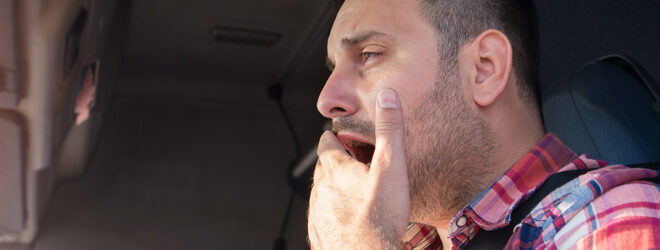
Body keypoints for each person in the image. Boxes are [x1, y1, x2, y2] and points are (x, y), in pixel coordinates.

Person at [307, 0, 660, 249]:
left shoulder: (613, 221)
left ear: (484, 69)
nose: (326, 99)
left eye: (368, 55)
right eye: (332, 68)